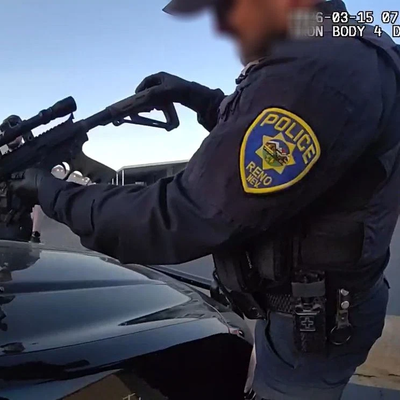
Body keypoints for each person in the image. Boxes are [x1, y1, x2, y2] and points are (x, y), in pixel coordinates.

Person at [8, 0, 400, 398]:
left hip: (310, 329)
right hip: (319, 308)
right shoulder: (346, 51)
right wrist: (196, 97)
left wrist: (56, 194)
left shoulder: (317, 71)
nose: (224, 27)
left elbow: (184, 216)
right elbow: (261, 130)